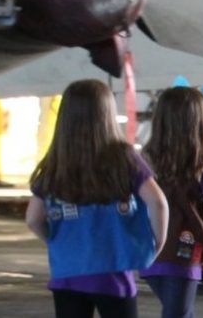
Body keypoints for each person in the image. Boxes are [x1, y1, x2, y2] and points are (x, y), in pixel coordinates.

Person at [25, 79, 171, 318]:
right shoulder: (124, 158)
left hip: (67, 275)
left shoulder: (56, 162)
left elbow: (33, 219)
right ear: (107, 113)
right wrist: (156, 244)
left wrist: (57, 242)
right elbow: (158, 203)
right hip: (113, 273)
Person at [142, 87, 203, 318]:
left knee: (179, 312)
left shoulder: (144, 161)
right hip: (185, 251)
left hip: (149, 251)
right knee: (178, 314)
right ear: (201, 122)